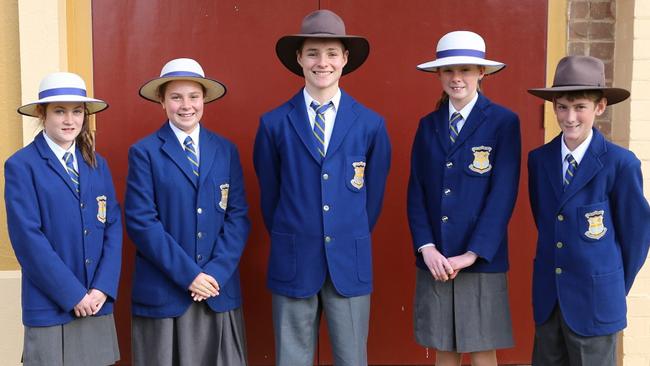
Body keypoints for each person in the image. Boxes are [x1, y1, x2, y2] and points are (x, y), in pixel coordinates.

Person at [253, 9, 391, 366]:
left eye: (332, 53)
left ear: (345, 59)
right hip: (294, 258)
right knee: (292, 357)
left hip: (350, 259)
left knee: (351, 357)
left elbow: (371, 199)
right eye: (313, 53)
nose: (322, 62)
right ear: (299, 58)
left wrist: (344, 230)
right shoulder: (273, 124)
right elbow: (271, 198)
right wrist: (299, 232)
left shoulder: (371, 124)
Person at [125, 58, 250, 365]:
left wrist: (215, 273)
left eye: (193, 96)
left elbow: (237, 217)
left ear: (203, 99)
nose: (186, 105)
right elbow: (142, 222)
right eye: (176, 97)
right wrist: (189, 275)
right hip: (165, 294)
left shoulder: (225, 150)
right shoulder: (145, 152)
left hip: (216, 291)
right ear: (162, 101)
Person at [527, 55, 650, 366]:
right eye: (562, 107)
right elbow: (545, 219)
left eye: (580, 107)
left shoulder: (620, 164)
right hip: (550, 300)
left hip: (596, 303)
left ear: (600, 107)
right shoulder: (539, 160)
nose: (570, 117)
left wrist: (607, 287)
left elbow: (636, 237)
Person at [407, 30, 521, 366]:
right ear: (438, 74)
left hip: (481, 257)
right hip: (437, 257)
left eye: (466, 70)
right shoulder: (427, 125)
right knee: (445, 345)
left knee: (483, 346)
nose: (457, 78)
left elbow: (503, 194)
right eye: (449, 71)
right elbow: (416, 190)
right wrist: (426, 247)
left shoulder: (503, 122)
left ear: (481, 73)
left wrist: (473, 253)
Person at [5, 72, 122, 365]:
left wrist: (101, 288)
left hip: (96, 303)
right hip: (50, 304)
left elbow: (112, 227)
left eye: (77, 111)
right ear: (42, 114)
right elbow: (28, 240)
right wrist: (73, 294)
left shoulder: (97, 164)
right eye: (59, 111)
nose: (70, 120)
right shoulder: (22, 166)